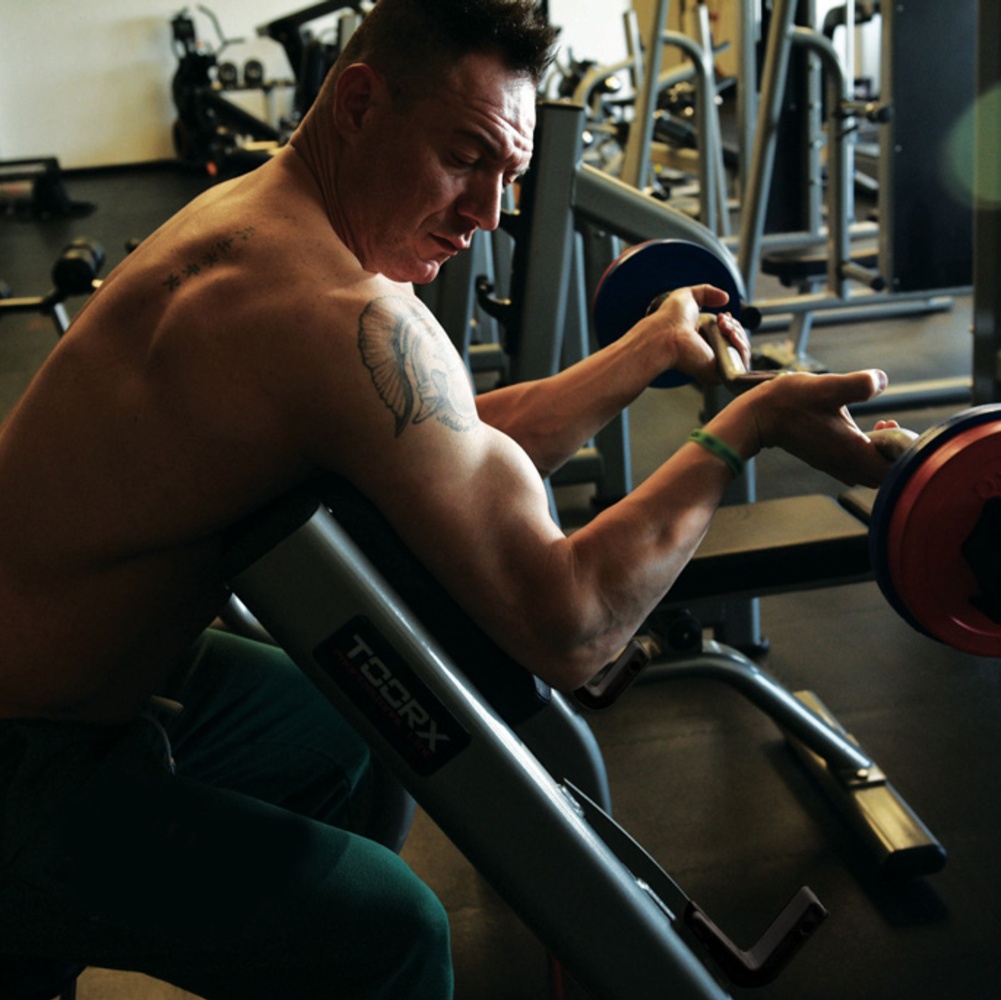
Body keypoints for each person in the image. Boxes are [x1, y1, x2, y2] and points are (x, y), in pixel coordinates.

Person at [0, 0, 895, 996]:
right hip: (28, 757)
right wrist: (744, 430)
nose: (489, 213)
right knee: (388, 934)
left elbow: (427, 440)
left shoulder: (262, 225)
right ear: (357, 104)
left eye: (507, 174)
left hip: (105, 690)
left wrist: (642, 354)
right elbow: (573, 625)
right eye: (464, 157)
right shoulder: (331, 311)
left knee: (343, 728)